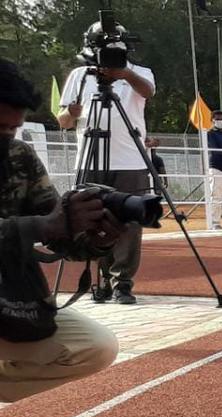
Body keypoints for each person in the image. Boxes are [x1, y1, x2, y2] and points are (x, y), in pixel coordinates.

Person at [0, 59, 121, 417]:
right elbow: (43, 224)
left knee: (95, 346)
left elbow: (56, 227)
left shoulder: (17, 156)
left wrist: (92, 237)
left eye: (11, 128)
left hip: (10, 295)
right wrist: (42, 225)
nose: (5, 136)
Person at [57, 21, 155, 305]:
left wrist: (122, 72)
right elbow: (63, 121)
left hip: (131, 160)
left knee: (130, 221)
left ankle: (123, 281)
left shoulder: (140, 72)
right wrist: (70, 113)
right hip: (89, 158)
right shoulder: (80, 75)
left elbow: (148, 92)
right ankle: (101, 281)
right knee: (93, 219)